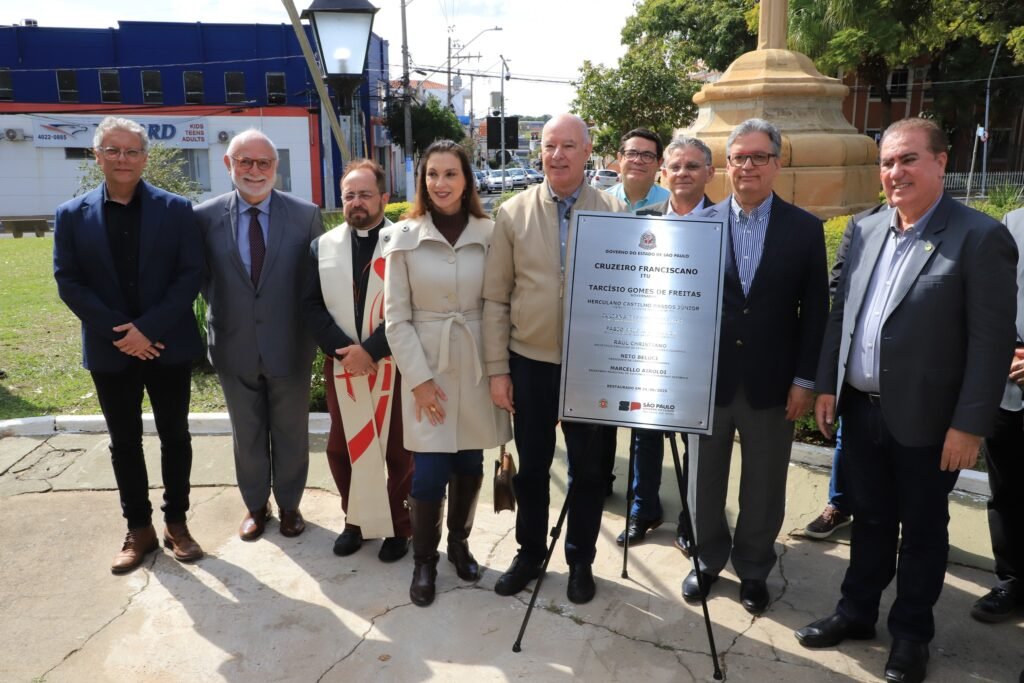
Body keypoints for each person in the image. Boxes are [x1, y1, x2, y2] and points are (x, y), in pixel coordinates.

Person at [796, 118, 1017, 683]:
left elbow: (991, 344)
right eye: (888, 162)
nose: (895, 173)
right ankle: (856, 612)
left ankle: (912, 635)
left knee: (921, 531)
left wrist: (970, 426)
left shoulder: (979, 236)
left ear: (941, 162)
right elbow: (839, 315)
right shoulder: (865, 229)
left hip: (932, 423)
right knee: (868, 520)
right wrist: (827, 385)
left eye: (909, 160)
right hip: (862, 410)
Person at [682, 118, 828, 615]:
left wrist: (805, 380)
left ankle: (754, 567)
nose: (748, 166)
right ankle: (706, 560)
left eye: (758, 157)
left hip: (773, 383)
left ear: (776, 163)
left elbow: (816, 314)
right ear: (726, 165)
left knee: (764, 484)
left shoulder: (805, 230)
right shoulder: (698, 227)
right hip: (706, 382)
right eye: (739, 157)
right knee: (703, 481)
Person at [483, 114, 627, 605]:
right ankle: (529, 553)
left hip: (593, 365)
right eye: (549, 146)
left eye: (569, 145)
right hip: (530, 362)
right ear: (538, 152)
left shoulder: (614, 211)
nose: (558, 155)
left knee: (589, 471)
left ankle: (580, 559)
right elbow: (496, 298)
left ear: (589, 152)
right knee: (534, 467)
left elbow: (628, 296)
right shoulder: (513, 213)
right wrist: (498, 371)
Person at [53, 116, 205, 573]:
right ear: (97, 156)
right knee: (125, 442)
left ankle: (177, 522)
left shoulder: (177, 209)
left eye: (132, 151)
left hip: (167, 346)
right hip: (110, 350)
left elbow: (189, 274)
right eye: (114, 151)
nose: (124, 159)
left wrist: (150, 330)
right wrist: (123, 333)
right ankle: (138, 528)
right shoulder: (70, 215)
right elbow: (69, 281)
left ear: (145, 157)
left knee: (176, 437)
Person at [382, 140, 512, 607]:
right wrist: (417, 380)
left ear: (467, 180)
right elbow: (395, 319)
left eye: (450, 174)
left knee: (469, 464)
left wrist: (500, 370)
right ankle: (424, 561)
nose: (440, 184)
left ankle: (459, 544)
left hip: (476, 364)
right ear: (422, 180)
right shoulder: (404, 236)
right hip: (427, 364)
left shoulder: (491, 232)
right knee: (429, 471)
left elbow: (500, 304)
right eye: (432, 174)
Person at [195, 129, 323, 541]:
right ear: (228, 165)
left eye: (264, 162)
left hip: (290, 345)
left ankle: (289, 506)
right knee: (245, 434)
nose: (255, 171)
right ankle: (254, 506)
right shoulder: (203, 217)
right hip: (234, 346)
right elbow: (200, 280)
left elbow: (317, 283)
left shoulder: (306, 215)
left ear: (276, 167)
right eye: (245, 162)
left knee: (290, 433)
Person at [303, 159, 413, 561]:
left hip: (394, 363)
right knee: (343, 446)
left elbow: (412, 306)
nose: (356, 203)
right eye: (349, 195)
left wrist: (372, 350)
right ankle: (356, 520)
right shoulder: (322, 246)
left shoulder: (404, 242)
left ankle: (400, 528)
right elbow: (311, 305)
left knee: (399, 450)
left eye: (365, 194)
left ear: (384, 197)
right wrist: (345, 352)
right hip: (343, 364)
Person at [617, 135, 717, 549]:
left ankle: (692, 519)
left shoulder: (725, 221)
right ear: (664, 172)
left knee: (697, 441)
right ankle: (644, 508)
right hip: (652, 348)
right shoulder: (646, 219)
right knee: (645, 432)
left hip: (702, 353)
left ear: (710, 173)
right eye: (675, 167)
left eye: (692, 166)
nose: (682, 174)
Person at [804, 203, 887, 540]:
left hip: (914, 377)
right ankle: (839, 505)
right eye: (886, 161)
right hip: (856, 364)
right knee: (848, 438)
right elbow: (837, 291)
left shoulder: (961, 228)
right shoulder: (861, 223)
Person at [970, 205, 1024, 623]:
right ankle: (1011, 580)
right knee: (1005, 491)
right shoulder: (1013, 222)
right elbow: (992, 299)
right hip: (1008, 387)